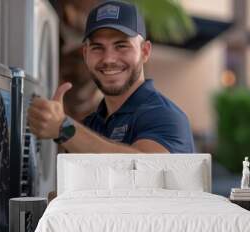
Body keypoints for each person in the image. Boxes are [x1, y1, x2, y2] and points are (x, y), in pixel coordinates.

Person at [27, 0, 195, 154]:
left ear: (145, 51)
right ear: (85, 53)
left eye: (121, 46)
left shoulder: (166, 117)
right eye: (97, 47)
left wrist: (64, 128)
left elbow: (142, 169)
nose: (108, 59)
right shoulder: (90, 126)